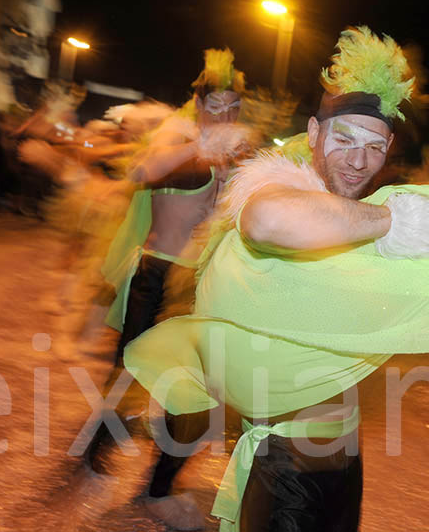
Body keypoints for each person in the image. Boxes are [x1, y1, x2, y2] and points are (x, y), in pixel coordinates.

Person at [123, 26, 429, 532]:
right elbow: (268, 220)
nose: (359, 161)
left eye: (375, 147)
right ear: (313, 133)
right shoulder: (282, 182)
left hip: (343, 458)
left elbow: (387, 279)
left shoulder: (355, 212)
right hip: (285, 465)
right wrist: (396, 224)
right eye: (344, 140)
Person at [80, 48, 256, 530]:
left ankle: (160, 486)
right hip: (157, 278)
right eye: (214, 104)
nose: (224, 113)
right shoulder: (178, 137)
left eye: (232, 106)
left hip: (202, 291)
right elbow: (141, 173)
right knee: (129, 375)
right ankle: (98, 447)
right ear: (197, 105)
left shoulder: (237, 152)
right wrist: (203, 146)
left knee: (203, 394)